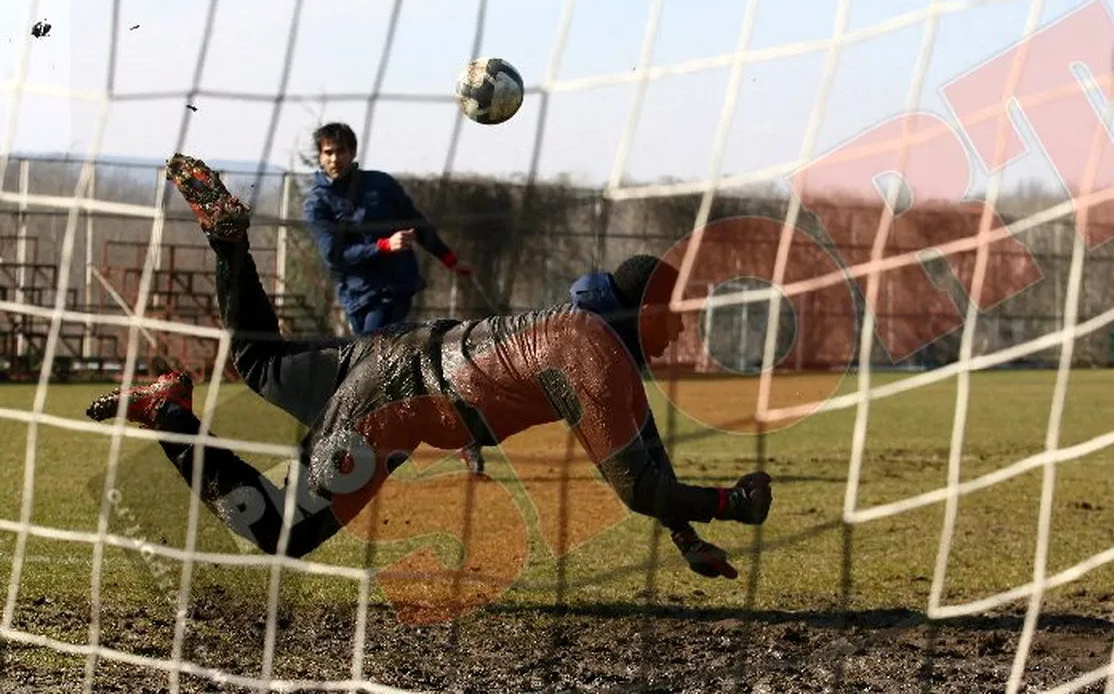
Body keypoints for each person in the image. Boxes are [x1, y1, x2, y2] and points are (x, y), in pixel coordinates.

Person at [85, 153, 773, 581]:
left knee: (258, 361)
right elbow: (637, 488)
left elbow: (647, 460)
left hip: (396, 352)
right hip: (395, 401)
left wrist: (688, 535)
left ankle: (228, 245)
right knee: (277, 532)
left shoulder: (591, 337)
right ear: (645, 307)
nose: (682, 326)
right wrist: (732, 506)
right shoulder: (595, 358)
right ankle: (166, 412)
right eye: (676, 311)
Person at [303, 122, 475, 334]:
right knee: (366, 359)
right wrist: (383, 246)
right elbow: (334, 255)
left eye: (341, 151)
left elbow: (417, 224)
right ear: (320, 156)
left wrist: (451, 261)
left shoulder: (381, 184)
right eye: (328, 152)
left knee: (374, 351)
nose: (335, 159)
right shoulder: (317, 203)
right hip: (355, 295)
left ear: (353, 152)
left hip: (394, 288)